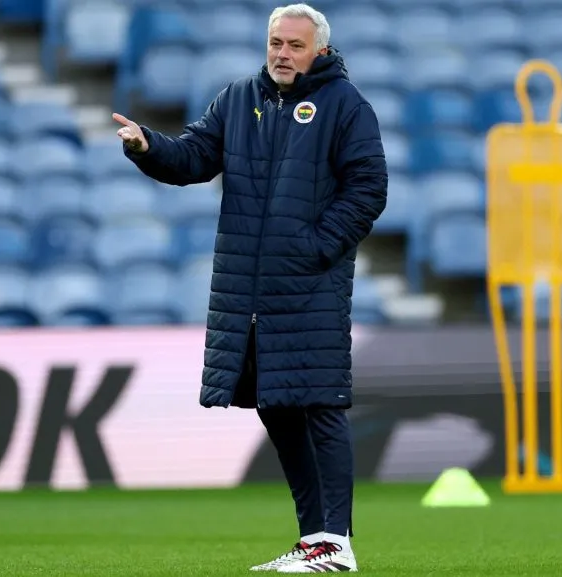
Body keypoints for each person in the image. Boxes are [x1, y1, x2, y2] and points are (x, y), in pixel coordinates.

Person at [113, 3, 387, 573]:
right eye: (275, 43)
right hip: (250, 293)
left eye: (294, 45)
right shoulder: (239, 99)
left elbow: (369, 188)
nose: (282, 54)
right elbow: (193, 157)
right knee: (277, 406)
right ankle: (315, 539)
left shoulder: (346, 105)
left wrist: (312, 248)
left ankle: (338, 542)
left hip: (309, 286)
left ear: (320, 50)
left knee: (320, 405)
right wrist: (147, 147)